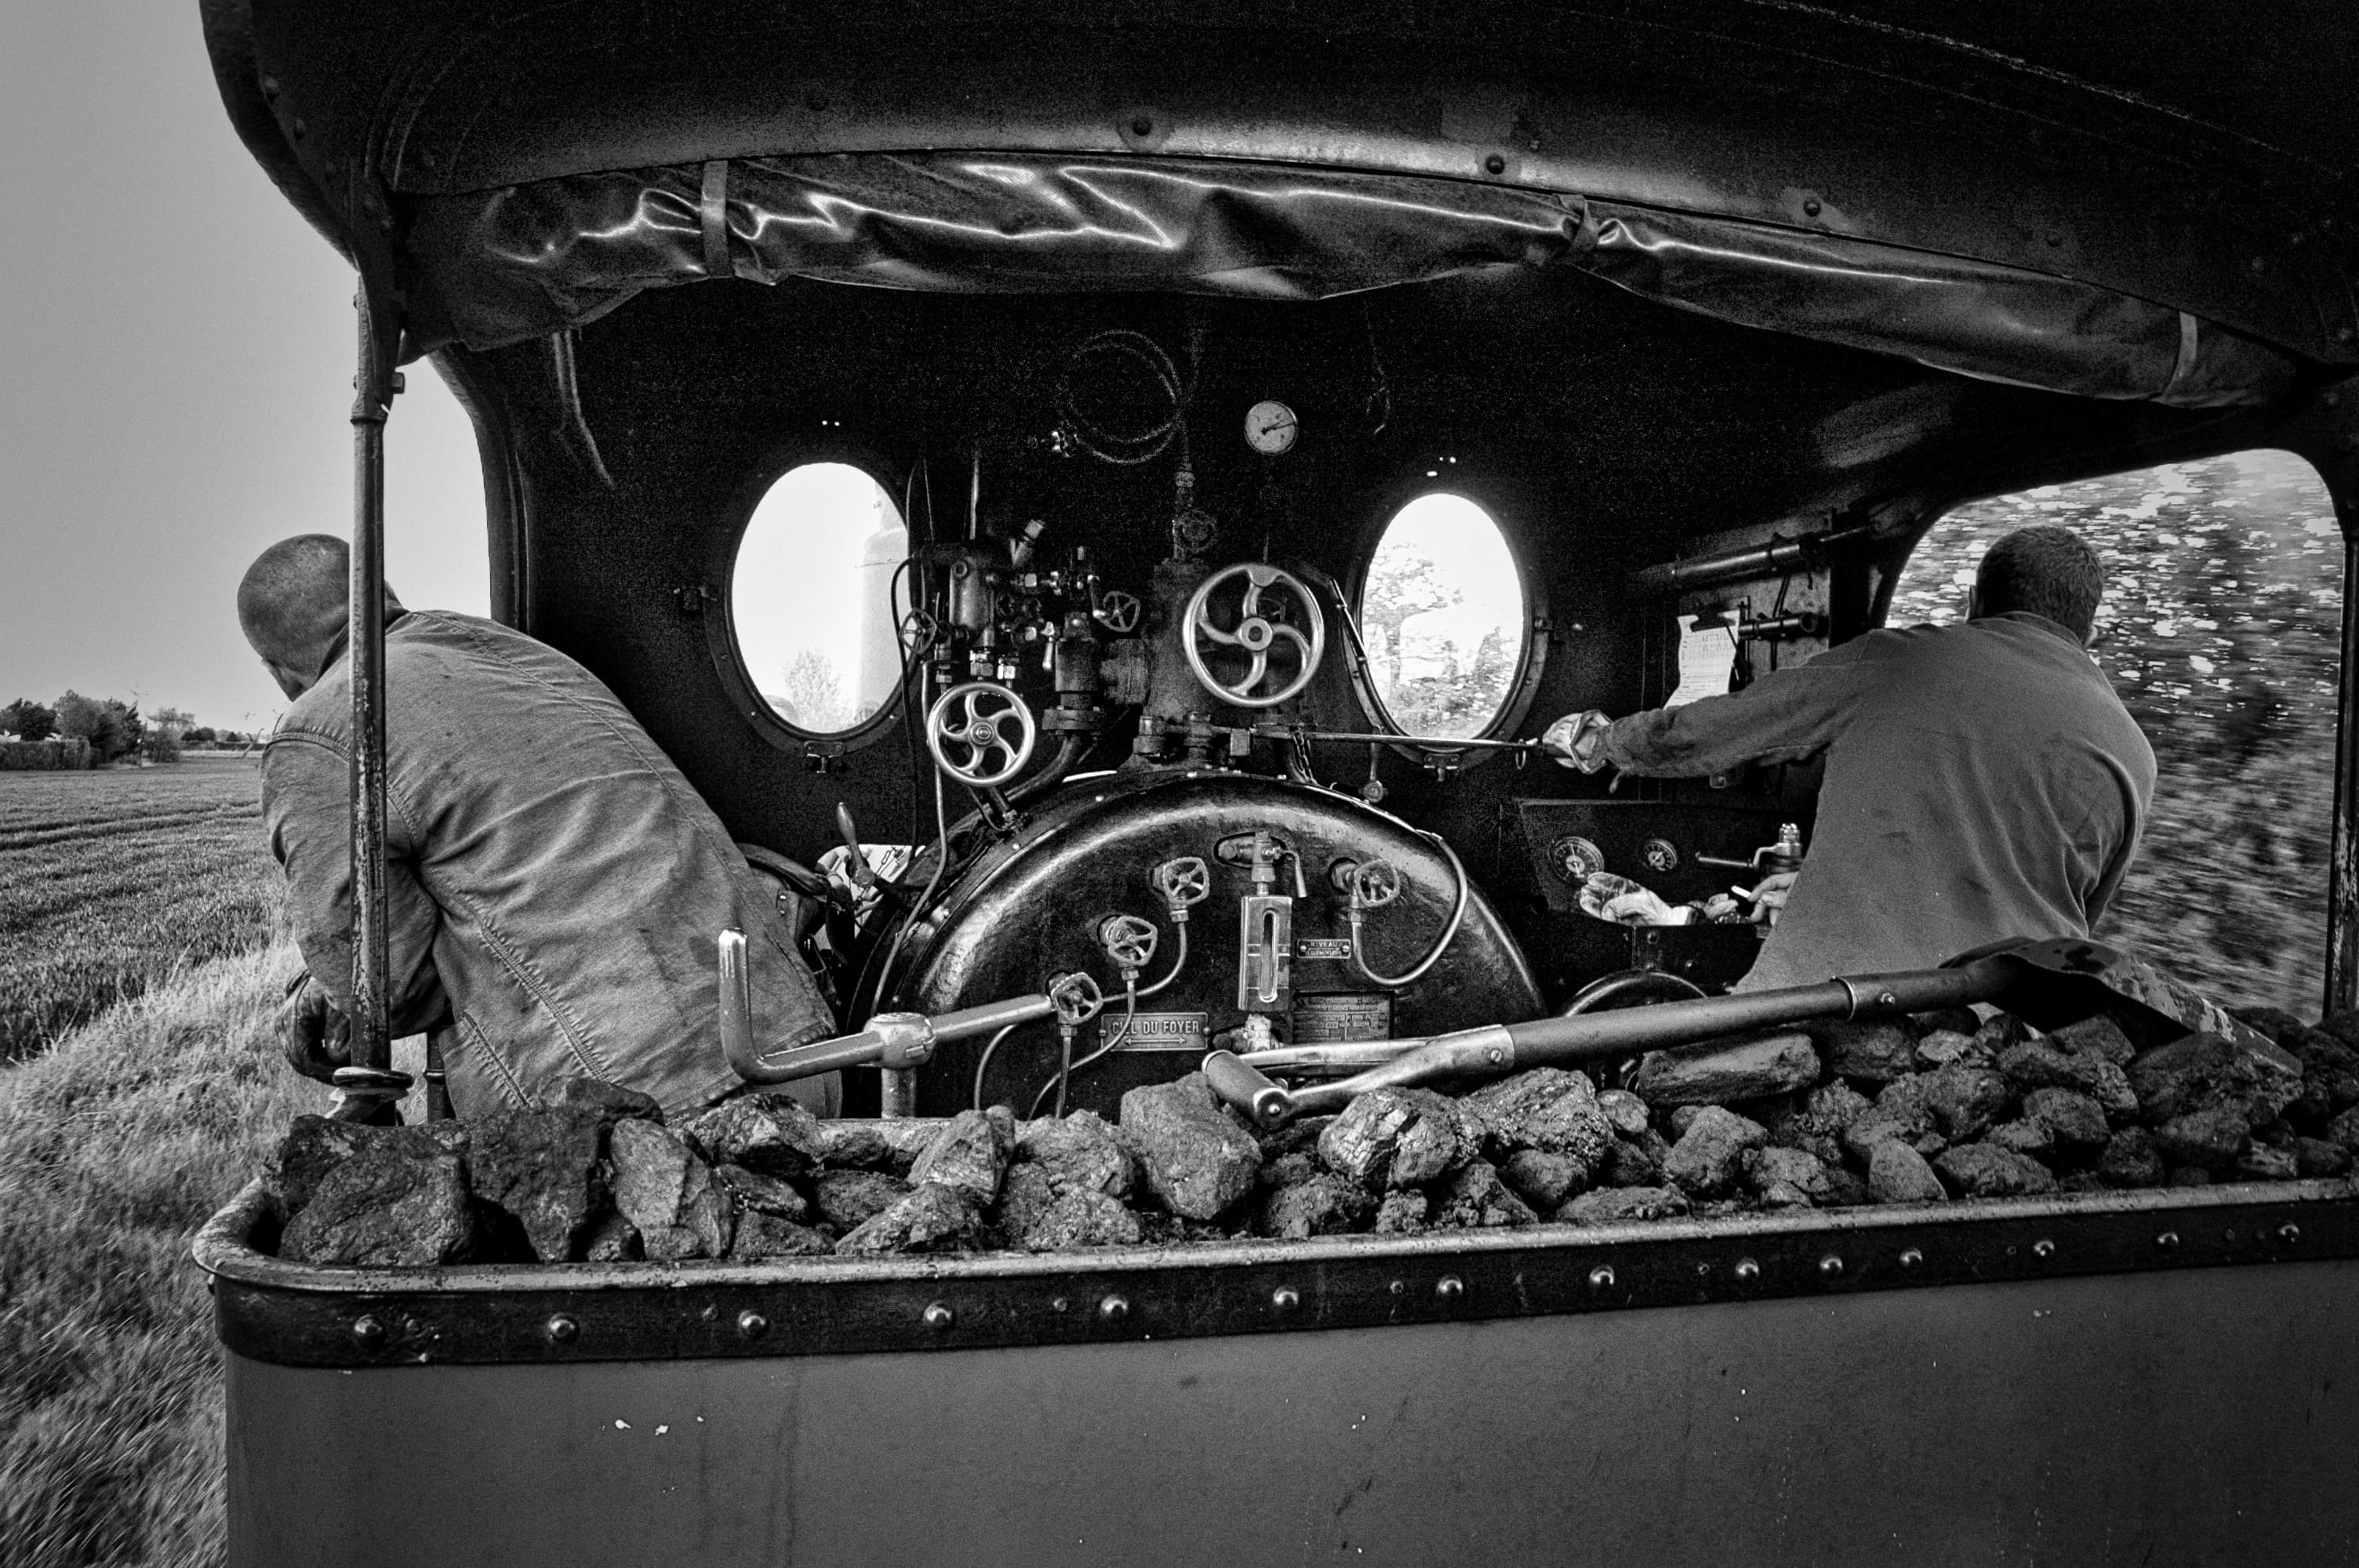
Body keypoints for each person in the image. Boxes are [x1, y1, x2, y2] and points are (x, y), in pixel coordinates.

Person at [238, 534, 836, 1120]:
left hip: (640, 1108)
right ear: (385, 595)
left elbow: (387, 992)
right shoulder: (517, 654)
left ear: (278, 671)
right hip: (802, 1050)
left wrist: (337, 988)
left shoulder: (325, 724)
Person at [1550, 525, 2156, 991]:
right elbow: (2067, 911)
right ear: (2090, 635)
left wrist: (1605, 742)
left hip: (1838, 1003)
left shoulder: (1900, 662)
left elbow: (1709, 732)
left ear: (1973, 604)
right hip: (2010, 1032)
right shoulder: (2134, 751)